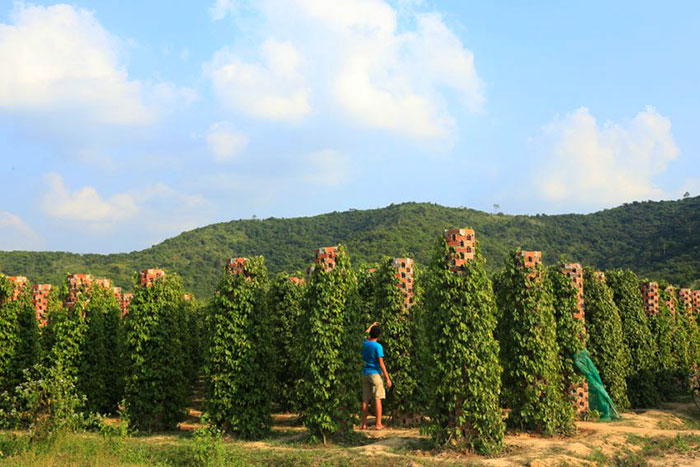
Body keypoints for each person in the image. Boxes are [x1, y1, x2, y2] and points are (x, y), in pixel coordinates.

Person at [360, 321, 392, 430]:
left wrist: (371, 326)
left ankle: (363, 424)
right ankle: (378, 424)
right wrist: (387, 378)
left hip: (364, 373)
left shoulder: (364, 343)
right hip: (375, 374)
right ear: (378, 335)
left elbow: (363, 334)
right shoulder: (378, 346)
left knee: (365, 400)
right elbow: (381, 363)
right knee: (378, 398)